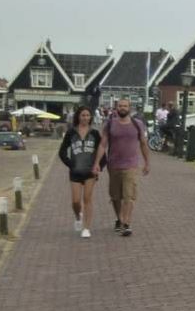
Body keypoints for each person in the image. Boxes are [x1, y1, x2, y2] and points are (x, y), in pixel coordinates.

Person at [92, 98, 150, 237]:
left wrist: (147, 162)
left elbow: (143, 143)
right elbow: (102, 144)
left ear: (130, 108)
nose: (122, 108)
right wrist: (96, 163)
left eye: (125, 106)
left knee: (128, 196)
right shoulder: (110, 124)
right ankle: (119, 218)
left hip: (131, 165)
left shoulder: (138, 124)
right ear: (116, 108)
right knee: (115, 196)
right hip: (114, 165)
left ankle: (127, 223)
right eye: (120, 106)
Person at [58, 106, 101, 238]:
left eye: (88, 115)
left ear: (91, 117)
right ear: (78, 116)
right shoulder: (71, 133)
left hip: (90, 171)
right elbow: (62, 152)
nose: (85, 118)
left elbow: (102, 151)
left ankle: (86, 228)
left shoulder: (95, 133)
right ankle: (78, 216)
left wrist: (99, 166)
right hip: (75, 171)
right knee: (76, 201)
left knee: (87, 199)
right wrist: (70, 163)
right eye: (83, 115)